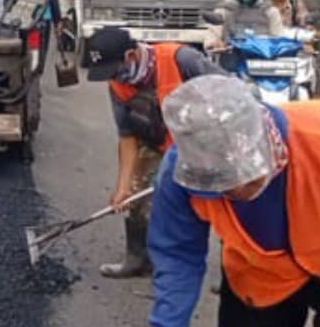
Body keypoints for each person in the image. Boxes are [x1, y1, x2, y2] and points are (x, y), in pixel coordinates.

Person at [149, 75, 320, 327]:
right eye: (223, 184)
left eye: (250, 175)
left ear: (267, 136)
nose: (240, 188)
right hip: (260, 278)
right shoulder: (179, 177)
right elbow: (177, 255)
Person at [83, 26, 226, 278]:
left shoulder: (181, 59)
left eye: (113, 69)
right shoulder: (117, 85)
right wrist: (123, 187)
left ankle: (231, 273)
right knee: (136, 193)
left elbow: (227, 92)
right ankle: (138, 258)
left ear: (131, 56)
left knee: (224, 202)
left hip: (206, 141)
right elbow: (127, 137)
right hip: (159, 142)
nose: (113, 77)